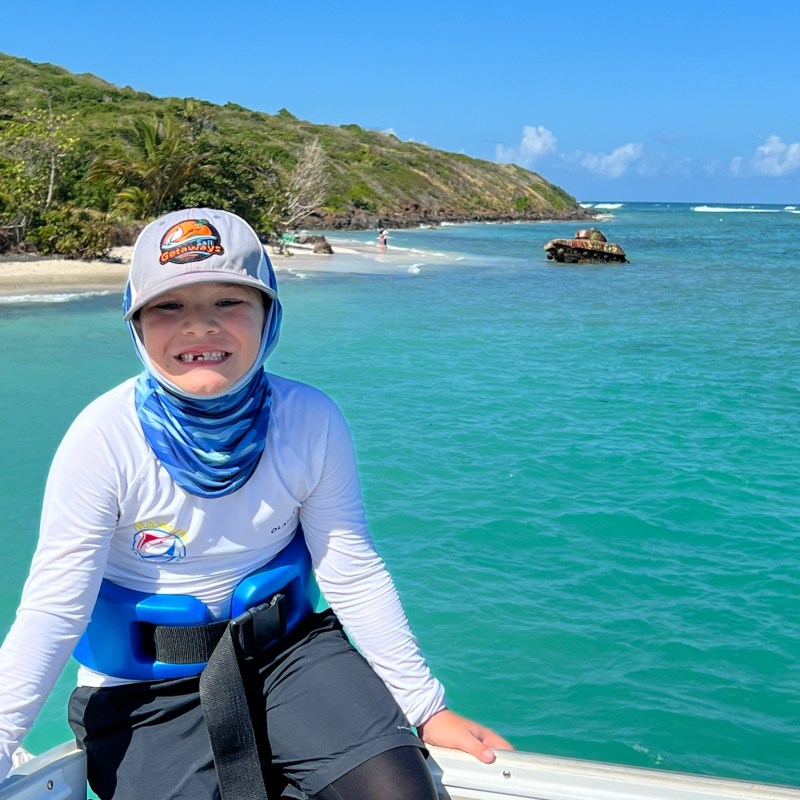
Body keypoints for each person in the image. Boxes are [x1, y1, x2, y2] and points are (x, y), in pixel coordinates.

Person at [0, 208, 510, 799]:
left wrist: (425, 706)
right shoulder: (102, 440)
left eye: (229, 302)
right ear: (135, 325)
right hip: (144, 687)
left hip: (291, 656)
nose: (200, 327)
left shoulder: (311, 421)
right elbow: (54, 608)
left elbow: (351, 568)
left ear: (270, 318)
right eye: (169, 306)